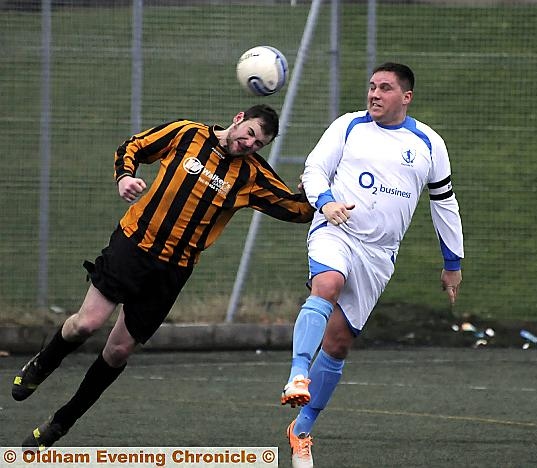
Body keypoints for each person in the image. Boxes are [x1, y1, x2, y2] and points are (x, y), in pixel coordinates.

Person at [12, 104, 314, 450]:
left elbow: (298, 210)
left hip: (173, 269)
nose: (249, 144)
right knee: (86, 324)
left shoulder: (252, 175)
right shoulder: (187, 134)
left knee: (118, 351)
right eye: (249, 134)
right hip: (133, 244)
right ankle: (42, 364)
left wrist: (310, 188)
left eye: (258, 144)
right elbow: (133, 147)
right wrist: (125, 176)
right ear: (238, 119)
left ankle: (62, 421)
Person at [280, 63, 464, 468]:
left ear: (406, 97)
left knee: (339, 344)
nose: (374, 94)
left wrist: (452, 262)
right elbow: (313, 170)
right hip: (336, 230)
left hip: (380, 255)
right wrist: (325, 203)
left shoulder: (429, 143)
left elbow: (444, 203)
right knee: (326, 283)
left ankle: (302, 430)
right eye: (371, 86)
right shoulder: (348, 126)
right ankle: (297, 375)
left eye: (385, 88)